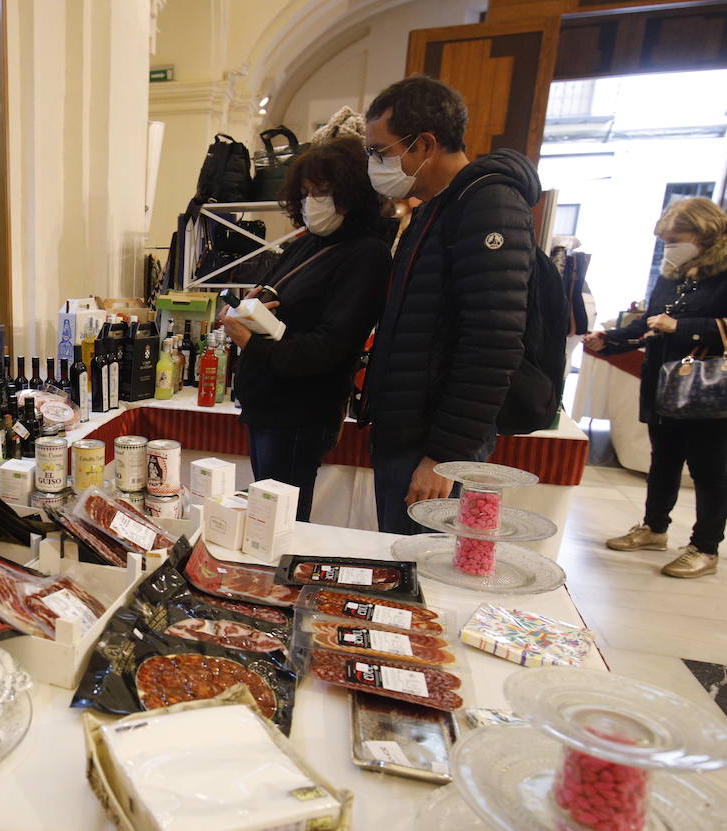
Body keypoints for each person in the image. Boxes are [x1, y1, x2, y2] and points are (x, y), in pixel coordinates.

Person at [360, 75, 541, 534]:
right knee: (401, 564)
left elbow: (493, 343)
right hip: (407, 430)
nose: (375, 164)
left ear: (424, 144)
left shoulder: (488, 205)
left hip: (436, 444)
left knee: (428, 577)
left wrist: (444, 457)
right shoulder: (435, 208)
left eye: (380, 151)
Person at [221, 136, 391, 522]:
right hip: (267, 400)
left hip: (300, 411)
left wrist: (254, 342)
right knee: (264, 515)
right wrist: (251, 308)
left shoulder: (367, 255)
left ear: (351, 194)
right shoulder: (307, 243)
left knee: (280, 524)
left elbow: (332, 345)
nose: (312, 202)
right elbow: (282, 304)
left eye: (323, 192)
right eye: (306, 193)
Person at [585, 198, 727, 578]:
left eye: (676, 238)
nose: (670, 247)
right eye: (665, 240)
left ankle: (705, 547)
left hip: (708, 390)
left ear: (705, 234)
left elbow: (685, 325)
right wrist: (611, 339)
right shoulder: (674, 273)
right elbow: (651, 322)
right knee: (662, 461)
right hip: (664, 384)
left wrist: (681, 328)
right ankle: (655, 528)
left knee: (709, 470)